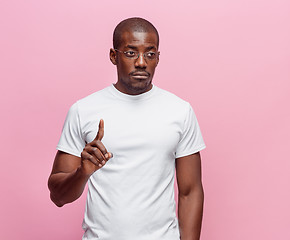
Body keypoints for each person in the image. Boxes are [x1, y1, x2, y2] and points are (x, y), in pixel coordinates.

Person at [48, 17, 206, 240]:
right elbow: (57, 196)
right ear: (114, 56)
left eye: (150, 54)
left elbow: (190, 192)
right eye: (131, 53)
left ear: (158, 58)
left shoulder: (180, 111)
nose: (141, 62)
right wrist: (82, 172)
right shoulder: (83, 110)